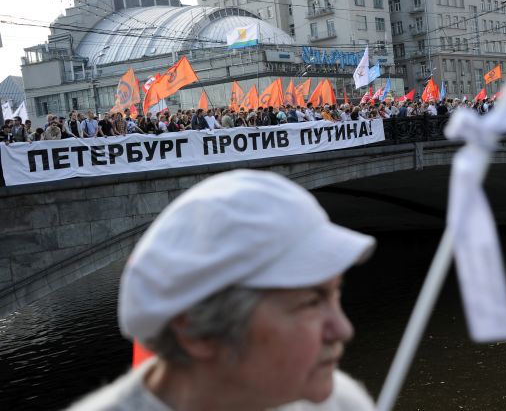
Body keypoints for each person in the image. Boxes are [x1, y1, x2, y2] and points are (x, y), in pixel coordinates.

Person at [67, 170, 377, 411]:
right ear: (196, 331)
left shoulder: (336, 400)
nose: (344, 329)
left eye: (335, 294)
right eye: (311, 302)